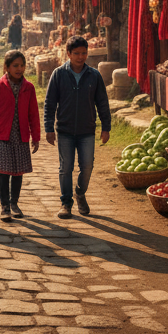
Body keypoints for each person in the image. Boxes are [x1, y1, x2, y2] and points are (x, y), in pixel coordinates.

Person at [44, 35, 111, 218]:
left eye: (84, 53)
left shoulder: (94, 75)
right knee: (65, 168)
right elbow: (50, 103)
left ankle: (80, 193)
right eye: (76, 54)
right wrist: (49, 128)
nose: (80, 57)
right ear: (68, 54)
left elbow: (102, 103)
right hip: (64, 130)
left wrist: (106, 127)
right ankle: (66, 203)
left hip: (87, 130)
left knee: (87, 166)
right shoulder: (58, 74)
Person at [0, 50, 40, 221]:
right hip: (2, 137)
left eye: (22, 65)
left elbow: (33, 114)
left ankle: (14, 203)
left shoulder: (29, 88)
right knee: (4, 173)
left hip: (21, 137)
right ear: (6, 67)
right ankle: (5, 206)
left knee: (18, 173)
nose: (19, 69)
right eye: (15, 65)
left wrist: (35, 137)